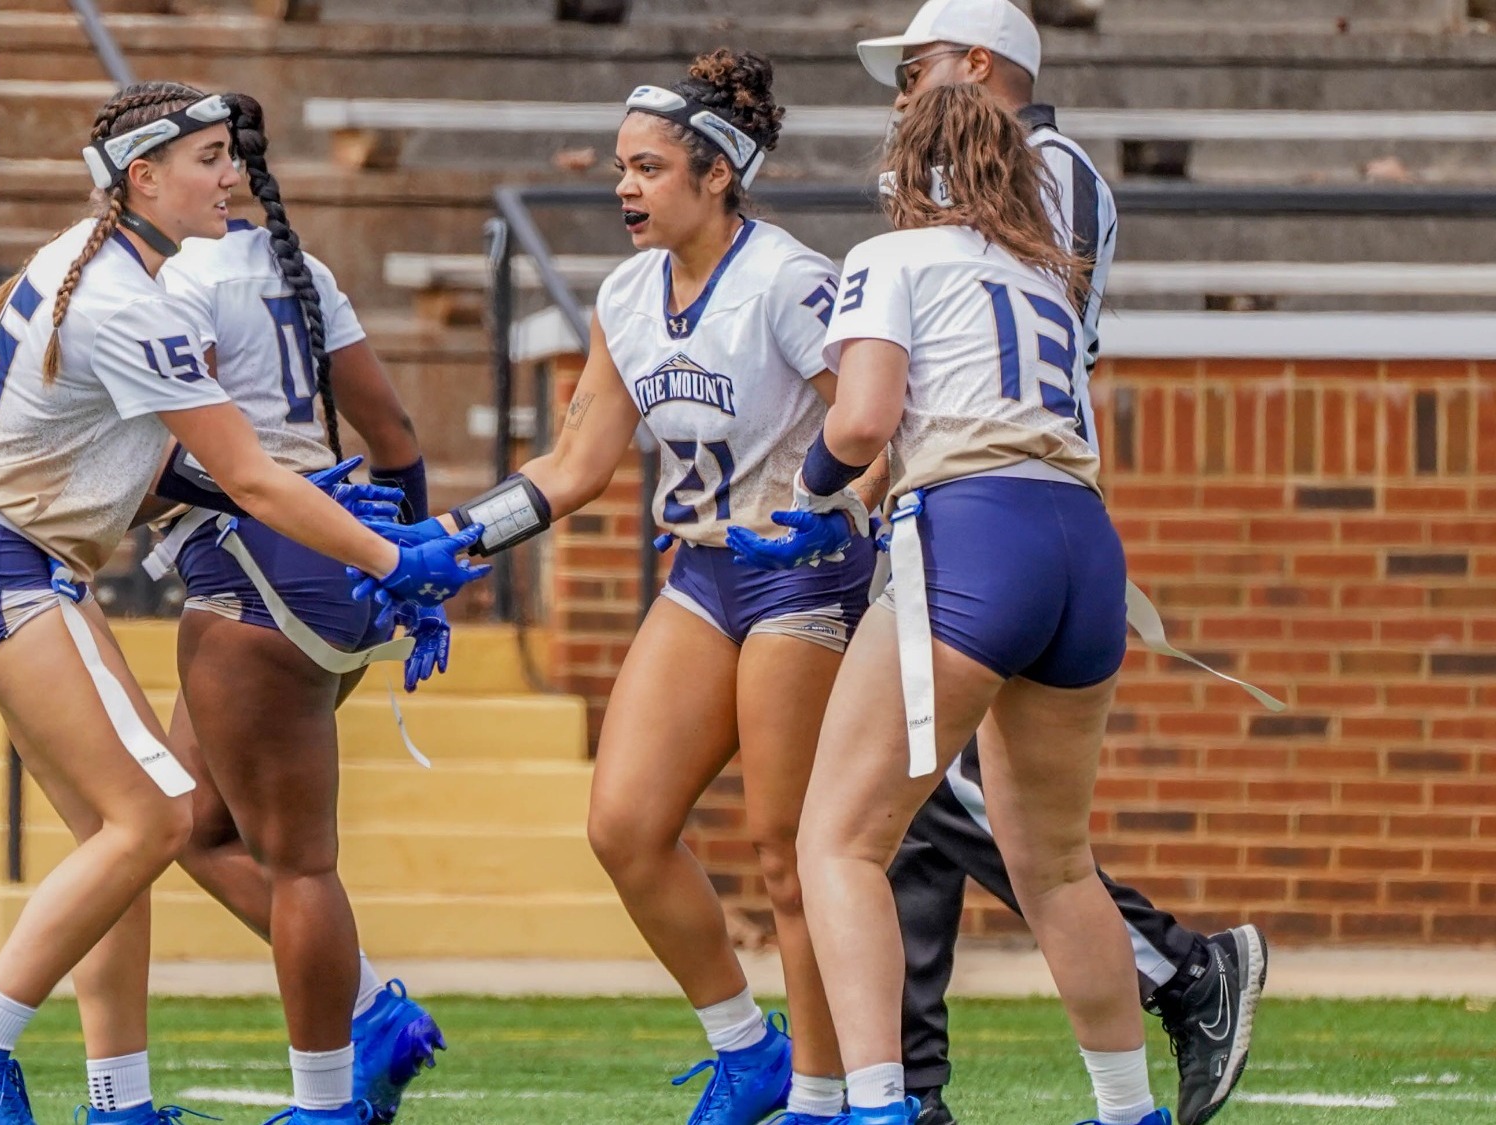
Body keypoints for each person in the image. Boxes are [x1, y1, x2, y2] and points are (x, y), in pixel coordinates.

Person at [0, 81, 486, 1125]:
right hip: (7, 567)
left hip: (10, 564)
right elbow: (248, 476)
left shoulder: (103, 256)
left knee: (119, 844)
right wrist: (391, 558)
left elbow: (187, 469)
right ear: (140, 178)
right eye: (205, 157)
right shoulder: (131, 299)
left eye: (227, 154)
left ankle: (117, 1102)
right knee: (155, 818)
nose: (230, 172)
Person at [371, 49, 881, 1125]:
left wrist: (832, 509)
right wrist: (454, 537)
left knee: (790, 858)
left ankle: (827, 1101)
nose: (624, 187)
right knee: (624, 824)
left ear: (715, 175)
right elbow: (575, 465)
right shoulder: (623, 292)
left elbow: (875, 425)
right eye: (620, 166)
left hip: (801, 575)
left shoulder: (787, 279)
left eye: (648, 167)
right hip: (702, 573)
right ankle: (748, 1051)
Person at [853, 4, 1265, 1122]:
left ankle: (1170, 972)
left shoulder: (1039, 169)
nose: (900, 95)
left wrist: (831, 486)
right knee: (943, 814)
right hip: (1024, 507)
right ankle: (943, 1079)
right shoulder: (966, 207)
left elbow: (1006, 332)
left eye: (916, 67)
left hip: (989, 501)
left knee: (872, 817)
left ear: (977, 67)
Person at [765, 79, 1165, 1125]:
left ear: (911, 166)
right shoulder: (1041, 270)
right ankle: (1128, 1112)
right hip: (1079, 547)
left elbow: (861, 421)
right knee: (1056, 863)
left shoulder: (890, 257)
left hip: (972, 544)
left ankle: (874, 1104)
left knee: (837, 843)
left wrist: (813, 492)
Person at [153, 88, 447, 1125]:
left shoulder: (168, 281)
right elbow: (395, 430)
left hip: (253, 577)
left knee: (298, 865)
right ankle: (371, 1009)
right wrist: (397, 559)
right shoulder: (298, 267)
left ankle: (327, 1100)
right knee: (184, 824)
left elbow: (166, 462)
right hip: (336, 573)